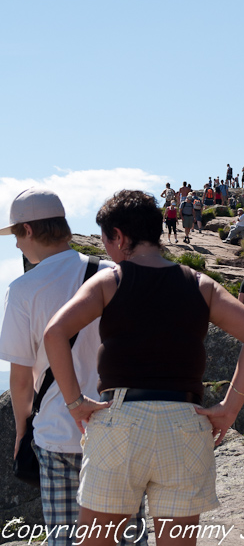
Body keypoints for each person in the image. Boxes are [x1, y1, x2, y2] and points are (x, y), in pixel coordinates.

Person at [43, 190, 244, 546]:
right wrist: (229, 408)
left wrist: (75, 403)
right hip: (185, 422)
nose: (107, 252)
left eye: (106, 241)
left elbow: (55, 332)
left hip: (120, 423)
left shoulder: (109, 281)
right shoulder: (200, 284)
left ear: (119, 235)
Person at [0, 187, 146, 546]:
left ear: (29, 230)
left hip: (59, 435)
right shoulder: (111, 273)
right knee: (126, 539)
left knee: (67, 540)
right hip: (119, 428)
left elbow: (20, 380)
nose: (16, 246)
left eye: (16, 235)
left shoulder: (23, 290)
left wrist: (23, 433)